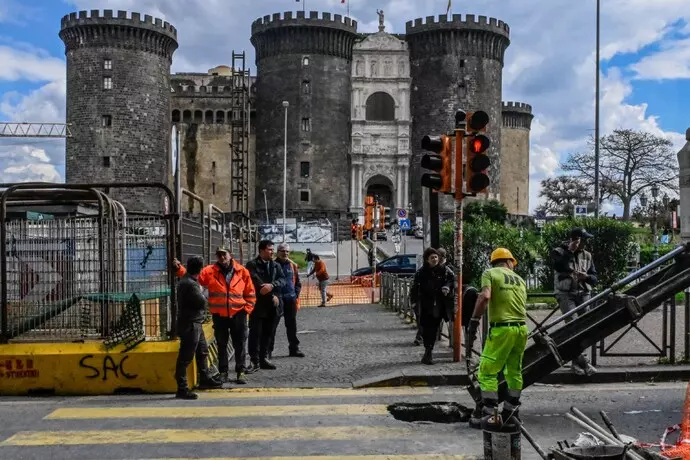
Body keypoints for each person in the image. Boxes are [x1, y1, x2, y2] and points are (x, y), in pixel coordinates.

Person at [173, 247, 255, 385]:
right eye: (219, 255)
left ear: (230, 255)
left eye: (224, 254)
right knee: (221, 344)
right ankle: (223, 372)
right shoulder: (210, 271)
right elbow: (193, 276)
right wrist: (179, 269)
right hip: (219, 315)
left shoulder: (242, 271)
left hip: (238, 313)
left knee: (240, 343)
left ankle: (241, 371)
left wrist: (247, 310)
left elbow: (250, 292)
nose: (221, 257)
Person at [466, 248, 528, 429]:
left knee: (486, 371)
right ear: (509, 261)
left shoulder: (490, 273)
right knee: (514, 371)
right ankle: (510, 414)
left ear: (494, 262)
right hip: (521, 329)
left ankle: (490, 415)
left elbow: (485, 297)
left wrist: (474, 320)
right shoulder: (520, 279)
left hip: (502, 329)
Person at [174, 256, 223, 399]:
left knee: (202, 351)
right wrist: (205, 292)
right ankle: (182, 388)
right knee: (185, 357)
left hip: (195, 322)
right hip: (190, 324)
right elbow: (202, 302)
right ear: (200, 269)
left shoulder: (187, 280)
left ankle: (205, 378)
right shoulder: (191, 284)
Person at [552, 227, 598, 376]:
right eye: (582, 240)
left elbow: (595, 278)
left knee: (584, 328)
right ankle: (585, 362)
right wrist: (569, 252)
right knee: (573, 326)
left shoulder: (587, 255)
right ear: (574, 240)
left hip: (583, 293)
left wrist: (587, 277)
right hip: (566, 294)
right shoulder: (559, 252)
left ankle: (575, 363)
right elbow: (559, 266)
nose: (585, 243)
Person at [246, 240, 286, 372]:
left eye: (273, 250)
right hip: (258, 306)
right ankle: (254, 361)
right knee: (255, 333)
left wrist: (273, 285)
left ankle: (264, 358)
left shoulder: (275, 265)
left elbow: (283, 280)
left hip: (273, 306)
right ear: (261, 251)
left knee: (268, 333)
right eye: (269, 249)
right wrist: (271, 295)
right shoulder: (252, 265)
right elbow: (257, 284)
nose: (272, 252)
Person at [409, 247, 454, 365]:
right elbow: (415, 287)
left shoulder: (445, 270)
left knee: (433, 328)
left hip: (438, 304)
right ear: (427, 260)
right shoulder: (421, 272)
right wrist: (414, 301)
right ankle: (427, 349)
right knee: (424, 327)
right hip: (424, 304)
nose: (435, 259)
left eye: (436, 257)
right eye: (432, 257)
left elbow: (452, 280)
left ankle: (428, 352)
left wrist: (447, 287)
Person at [269, 243, 305, 359]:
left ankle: (294, 349)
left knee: (292, 326)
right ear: (277, 252)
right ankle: (268, 351)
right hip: (277, 300)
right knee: (272, 326)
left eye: (287, 251)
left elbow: (298, 282)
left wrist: (295, 294)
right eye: (282, 251)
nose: (285, 253)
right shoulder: (272, 265)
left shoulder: (292, 265)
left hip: (290, 299)